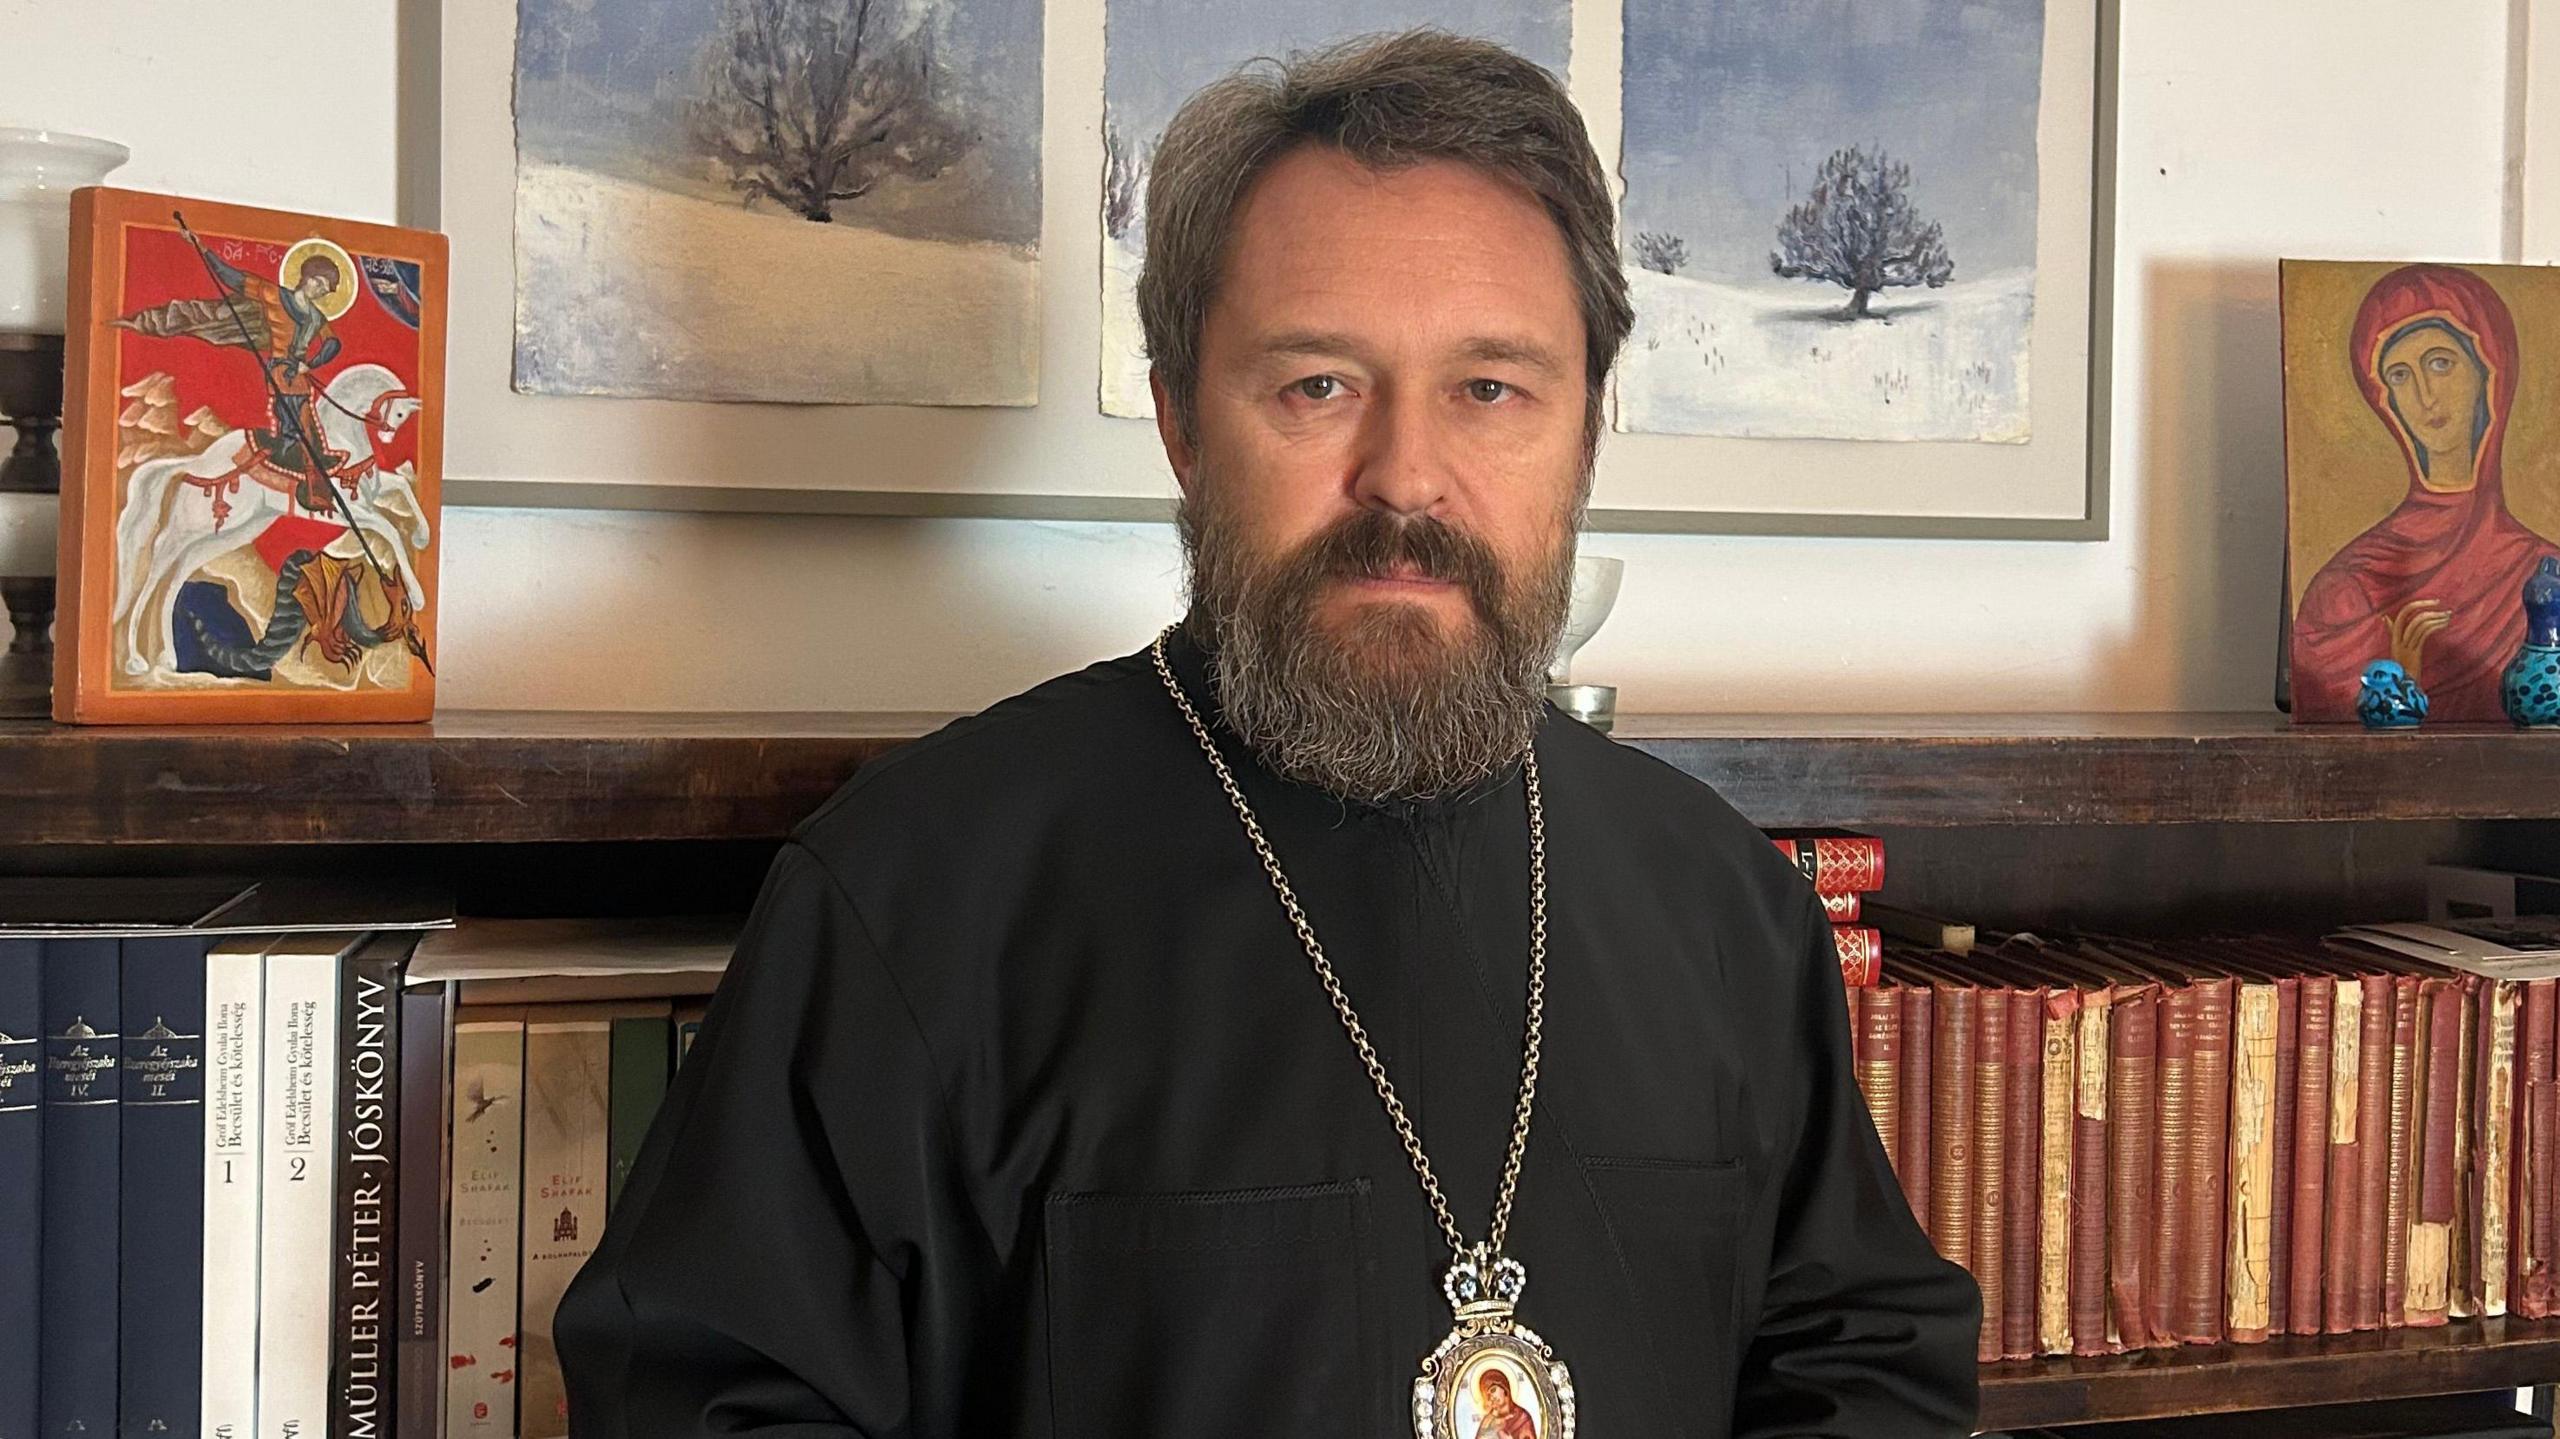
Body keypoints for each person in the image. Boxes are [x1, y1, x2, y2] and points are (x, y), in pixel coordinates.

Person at [557, 28, 1980, 1438]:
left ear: (1588, 430)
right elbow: (707, 1399)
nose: (1407, 474)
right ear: (1180, 417)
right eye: (1317, 385)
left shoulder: (1724, 906)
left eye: (1491, 389)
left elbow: (1862, 1358)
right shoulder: (914, 896)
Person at [2292, 263, 2558, 721]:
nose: (2424, 395)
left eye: (2440, 363)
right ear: (2384, 400)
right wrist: (2399, 674)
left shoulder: (2544, 572)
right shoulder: (2348, 588)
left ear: (2490, 374)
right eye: (2399, 375)